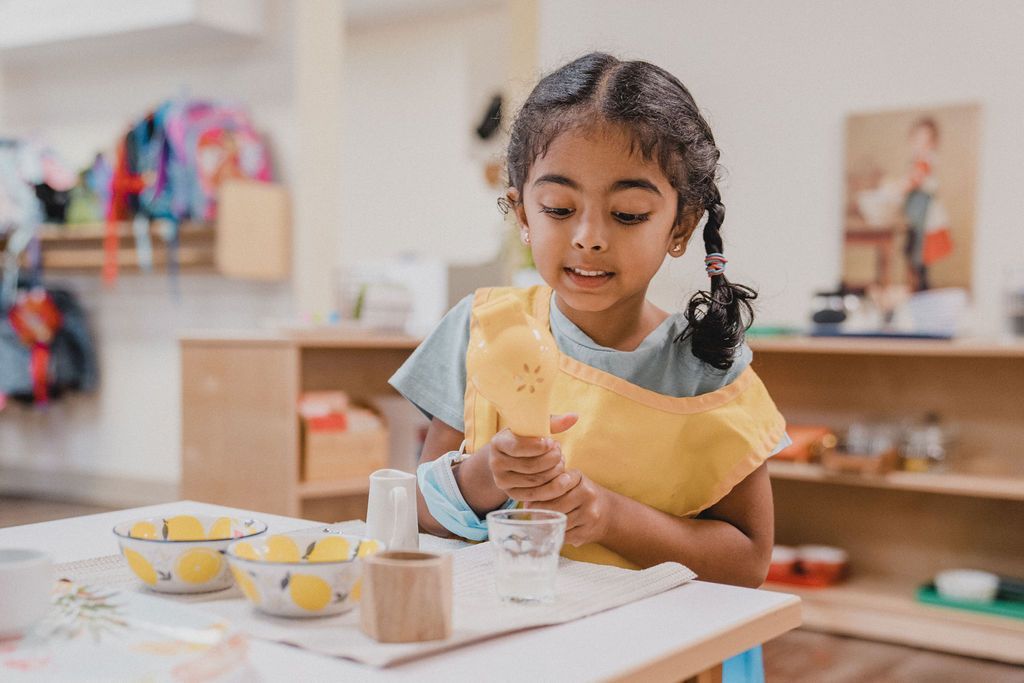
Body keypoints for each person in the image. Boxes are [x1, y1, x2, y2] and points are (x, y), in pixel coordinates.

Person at [390, 52, 789, 682]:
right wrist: (487, 474)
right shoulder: (485, 328)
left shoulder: (709, 364)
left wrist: (609, 516)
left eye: (628, 214)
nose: (589, 236)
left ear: (680, 226)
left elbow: (746, 562)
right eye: (557, 209)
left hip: (661, 657)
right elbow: (421, 517)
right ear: (522, 213)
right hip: (518, 651)